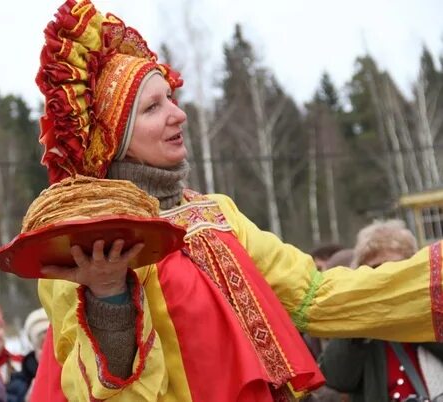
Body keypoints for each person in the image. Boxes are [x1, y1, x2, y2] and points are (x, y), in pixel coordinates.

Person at [22, 1, 443, 400]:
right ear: (114, 138)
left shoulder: (216, 213)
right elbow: (94, 391)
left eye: (171, 97)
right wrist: (108, 297)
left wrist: (435, 279)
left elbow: (315, 295)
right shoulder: (84, 238)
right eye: (153, 107)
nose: (178, 114)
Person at [320, 220, 443, 402]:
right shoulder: (358, 319)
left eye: (396, 266)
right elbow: (336, 377)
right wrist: (362, 324)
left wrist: (417, 314)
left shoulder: (432, 306)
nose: (387, 274)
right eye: (377, 268)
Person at [6, 308, 49, 402]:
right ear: (34, 350)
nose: (51, 352)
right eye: (43, 346)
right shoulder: (17, 383)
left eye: (56, 345)